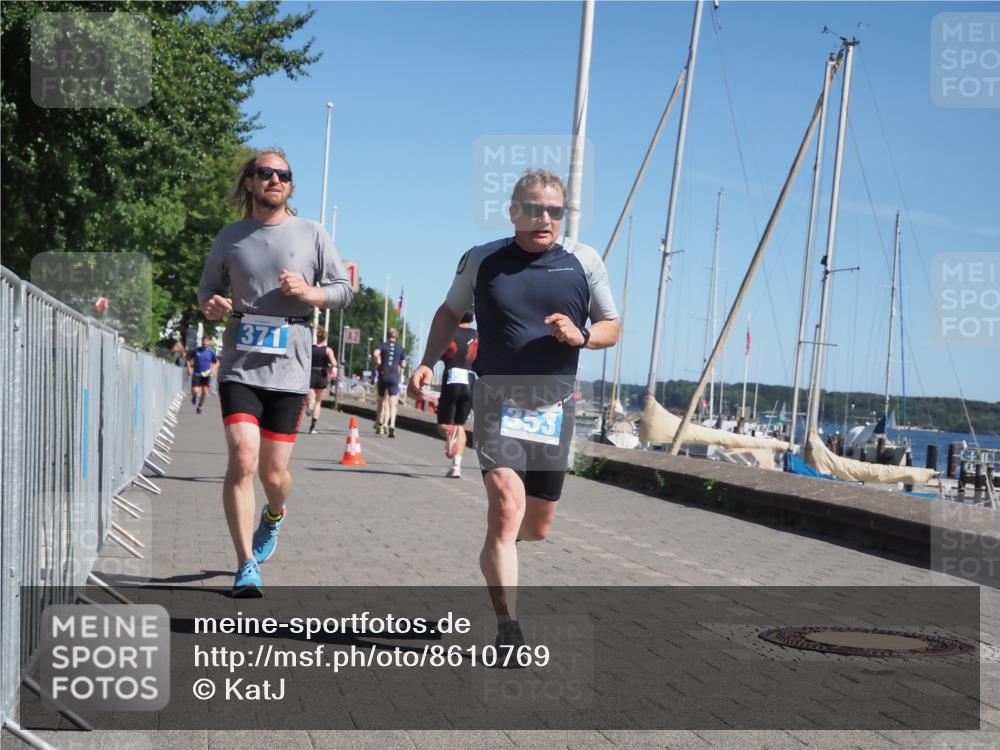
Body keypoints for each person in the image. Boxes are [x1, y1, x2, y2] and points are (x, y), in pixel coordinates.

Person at [408, 169, 619, 650]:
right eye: (535, 209)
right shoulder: (483, 259)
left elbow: (611, 325)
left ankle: (497, 555)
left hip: (555, 408)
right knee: (506, 508)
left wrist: (582, 336)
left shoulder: (584, 261)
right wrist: (426, 362)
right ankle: (509, 629)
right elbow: (447, 312)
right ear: (514, 211)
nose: (545, 219)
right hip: (497, 399)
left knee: (536, 526)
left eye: (555, 211)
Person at [198, 148, 353, 597]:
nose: (275, 180)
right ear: (249, 182)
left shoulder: (312, 233)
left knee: (272, 476)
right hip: (240, 364)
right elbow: (208, 288)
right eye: (265, 173)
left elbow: (344, 290)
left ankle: (275, 512)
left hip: (291, 367)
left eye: (283, 174)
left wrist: (310, 292)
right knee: (243, 457)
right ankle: (246, 564)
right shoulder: (231, 236)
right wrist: (209, 304)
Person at [436, 311, 478, 478]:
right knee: (461, 425)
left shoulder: (449, 332)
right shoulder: (477, 336)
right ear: (472, 318)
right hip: (470, 379)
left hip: (452, 377)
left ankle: (449, 433)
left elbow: (439, 353)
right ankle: (456, 466)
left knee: (443, 425)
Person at [373, 328, 406, 437]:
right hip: (394, 376)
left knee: (382, 401)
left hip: (383, 374)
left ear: (387, 336)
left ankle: (380, 425)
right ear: (396, 337)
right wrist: (399, 366)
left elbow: (375, 353)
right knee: (393, 403)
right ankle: (392, 424)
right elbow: (403, 364)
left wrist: (378, 361)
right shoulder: (400, 348)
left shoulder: (382, 345)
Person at [307, 327, 338, 434]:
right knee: (318, 402)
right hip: (322, 374)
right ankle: (312, 427)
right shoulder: (328, 350)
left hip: (311, 373)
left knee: (311, 394)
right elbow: (334, 363)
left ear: (317, 337)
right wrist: (329, 365)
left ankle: (309, 401)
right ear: (325, 338)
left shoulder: (311, 348)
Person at [186, 335, 219, 414]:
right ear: (201, 341)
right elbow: (188, 359)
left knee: (205, 393)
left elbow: (217, 362)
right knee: (195, 390)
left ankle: (200, 406)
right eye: (203, 341)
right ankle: (194, 396)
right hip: (197, 373)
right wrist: (189, 368)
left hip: (206, 374)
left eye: (206, 341)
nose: (204, 342)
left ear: (209, 342)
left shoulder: (211, 352)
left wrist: (214, 368)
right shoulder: (196, 351)